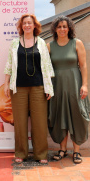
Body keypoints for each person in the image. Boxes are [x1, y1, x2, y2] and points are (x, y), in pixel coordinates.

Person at [4, 14, 54, 164]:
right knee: (19, 123)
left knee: (39, 122)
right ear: (21, 26)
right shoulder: (14, 44)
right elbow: (9, 65)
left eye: (29, 23)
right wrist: (6, 84)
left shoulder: (41, 43)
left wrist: (48, 88)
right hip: (18, 88)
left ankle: (41, 154)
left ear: (34, 26)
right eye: (24, 23)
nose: (27, 25)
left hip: (38, 87)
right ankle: (21, 153)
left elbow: (47, 67)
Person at [47, 16, 90, 164]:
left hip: (74, 84)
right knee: (59, 116)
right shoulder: (49, 46)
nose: (62, 29)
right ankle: (63, 149)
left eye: (65, 26)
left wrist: (85, 85)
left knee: (77, 115)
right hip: (57, 85)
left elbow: (83, 66)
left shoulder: (76, 43)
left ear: (69, 28)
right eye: (59, 27)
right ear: (55, 29)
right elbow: (46, 69)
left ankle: (76, 151)